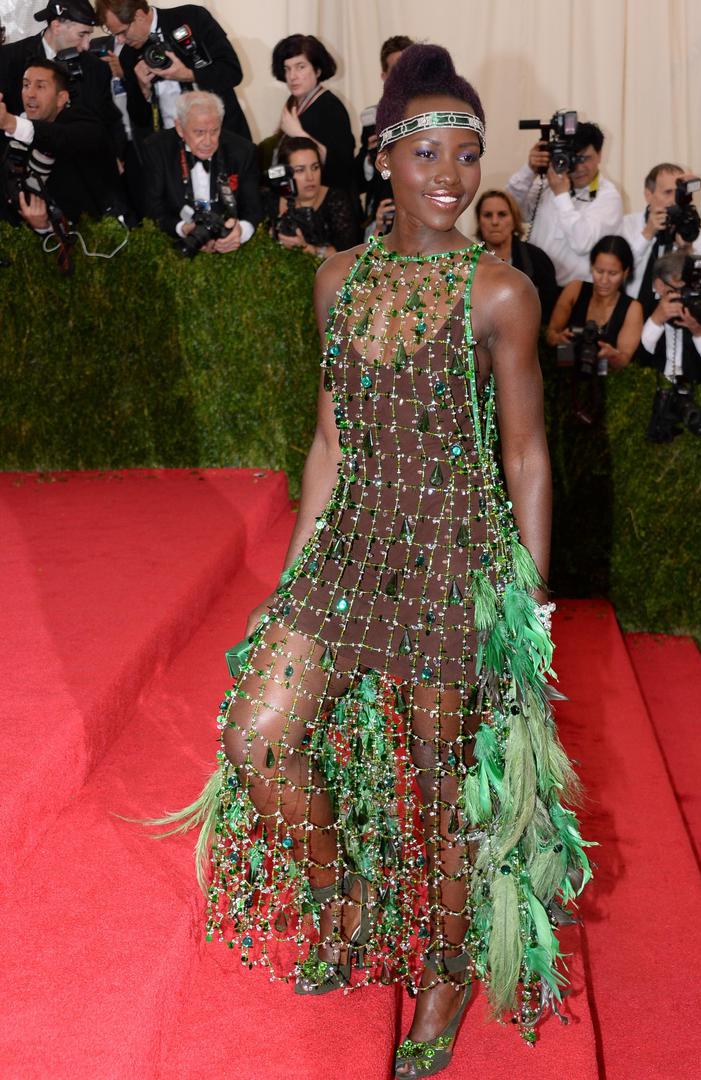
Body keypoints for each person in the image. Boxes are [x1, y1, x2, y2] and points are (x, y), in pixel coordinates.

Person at [159, 44, 591, 1079]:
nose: (451, 175)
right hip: (351, 549)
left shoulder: (499, 292)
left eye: (467, 154)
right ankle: (349, 900)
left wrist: (527, 605)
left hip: (452, 558)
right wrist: (290, 583)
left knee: (443, 793)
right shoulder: (335, 280)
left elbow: (526, 455)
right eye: (428, 152)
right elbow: (328, 442)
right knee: (257, 733)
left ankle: (443, 973)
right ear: (384, 159)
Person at [95, 1, 251, 146]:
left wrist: (189, 75)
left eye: (123, 32)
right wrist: (143, 90)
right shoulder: (128, 56)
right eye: (115, 35)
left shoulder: (191, 17)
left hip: (224, 138)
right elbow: (140, 119)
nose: (120, 40)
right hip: (174, 150)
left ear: (139, 15)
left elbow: (232, 71)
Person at [0, 59, 127, 230]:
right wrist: (42, 226)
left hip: (111, 234)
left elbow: (61, 138)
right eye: (26, 85)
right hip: (60, 241)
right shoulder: (17, 142)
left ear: (61, 98)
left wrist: (10, 123)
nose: (30, 93)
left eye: (40, 86)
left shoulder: (84, 122)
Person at [0, 0, 125, 157]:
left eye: (89, 35)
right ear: (56, 26)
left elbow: (108, 119)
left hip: (78, 164)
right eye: (82, 34)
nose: (87, 45)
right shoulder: (9, 58)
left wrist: (117, 156)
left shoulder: (96, 68)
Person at [142, 90, 261, 251]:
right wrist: (182, 229)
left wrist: (240, 232)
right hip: (174, 246)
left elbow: (253, 208)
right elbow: (152, 208)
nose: (208, 141)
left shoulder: (243, 151)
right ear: (180, 127)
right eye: (199, 132)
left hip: (231, 249)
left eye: (215, 131)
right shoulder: (156, 149)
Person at [507, 120, 623, 286]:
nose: (579, 167)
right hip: (534, 285)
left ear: (600, 155)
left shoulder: (608, 196)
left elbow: (583, 243)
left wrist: (561, 195)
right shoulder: (549, 182)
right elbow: (511, 209)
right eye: (573, 158)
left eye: (585, 158)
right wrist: (529, 170)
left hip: (573, 292)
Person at [271, 34, 354, 193]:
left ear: (317, 70)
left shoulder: (331, 107)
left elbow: (341, 166)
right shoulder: (292, 102)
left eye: (300, 67)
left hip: (330, 199)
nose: (292, 76)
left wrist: (298, 133)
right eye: (287, 69)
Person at [546, 235, 643, 369]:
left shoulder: (632, 309)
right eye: (599, 271)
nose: (604, 280)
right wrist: (559, 340)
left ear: (625, 273)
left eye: (612, 273)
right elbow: (550, 333)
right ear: (591, 267)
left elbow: (624, 360)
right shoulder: (574, 289)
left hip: (605, 377)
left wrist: (612, 356)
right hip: (562, 368)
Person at [620, 162, 701, 312]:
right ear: (648, 195)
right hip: (629, 313)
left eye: (678, 193)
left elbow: (697, 282)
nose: (674, 200)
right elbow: (617, 270)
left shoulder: (691, 231)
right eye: (668, 192)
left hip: (674, 313)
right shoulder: (627, 225)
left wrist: (685, 250)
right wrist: (647, 234)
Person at [265, 136, 358, 259]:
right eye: (300, 170)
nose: (310, 177)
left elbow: (349, 255)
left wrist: (307, 249)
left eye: (315, 167)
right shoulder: (272, 200)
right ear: (284, 173)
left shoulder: (336, 199)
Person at [355, 34, 414, 228]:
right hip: (382, 215)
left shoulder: (434, 115)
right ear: (384, 77)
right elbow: (359, 181)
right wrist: (371, 157)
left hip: (423, 211)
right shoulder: (371, 117)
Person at [475, 188, 559, 321]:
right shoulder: (467, 262)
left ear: (514, 220)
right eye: (487, 215)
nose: (495, 222)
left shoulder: (537, 258)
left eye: (502, 214)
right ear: (479, 221)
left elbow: (550, 309)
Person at [638, 249, 701, 384]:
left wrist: (698, 332)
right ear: (660, 286)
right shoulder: (641, 309)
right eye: (681, 290)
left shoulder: (699, 308)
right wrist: (656, 320)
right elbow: (640, 359)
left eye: (691, 290)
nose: (687, 296)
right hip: (652, 387)